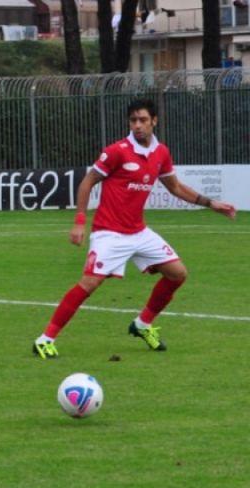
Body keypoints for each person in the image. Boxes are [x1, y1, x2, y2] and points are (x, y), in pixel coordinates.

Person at [32, 98, 236, 359]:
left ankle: (142, 324)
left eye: (142, 120)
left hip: (138, 232)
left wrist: (211, 203)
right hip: (109, 233)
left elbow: (175, 187)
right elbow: (88, 182)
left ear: (154, 121)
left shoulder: (161, 152)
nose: (138, 125)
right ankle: (45, 338)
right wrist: (80, 222)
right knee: (90, 283)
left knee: (177, 273)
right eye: (133, 121)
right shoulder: (117, 151)